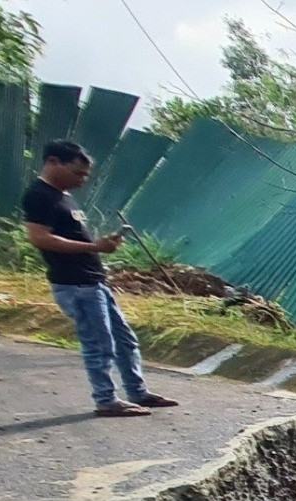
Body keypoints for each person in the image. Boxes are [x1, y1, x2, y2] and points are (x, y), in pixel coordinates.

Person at [21, 141, 178, 418]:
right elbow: (39, 238)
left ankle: (138, 392)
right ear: (54, 162)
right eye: (78, 173)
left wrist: (101, 245)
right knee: (99, 344)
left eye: (85, 176)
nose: (82, 180)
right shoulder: (39, 195)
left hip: (94, 282)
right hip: (75, 285)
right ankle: (105, 399)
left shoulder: (63, 196)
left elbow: (73, 237)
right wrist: (94, 248)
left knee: (125, 340)